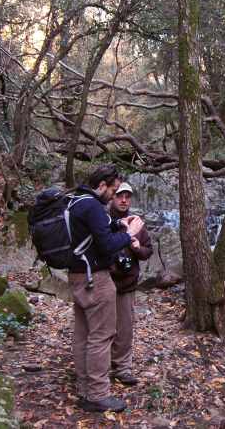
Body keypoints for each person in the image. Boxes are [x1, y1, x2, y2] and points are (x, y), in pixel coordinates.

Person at [68, 164, 144, 413]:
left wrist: (119, 225)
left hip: (77, 275)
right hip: (95, 280)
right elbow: (106, 246)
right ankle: (98, 394)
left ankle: (83, 387)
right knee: (101, 336)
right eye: (113, 190)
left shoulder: (75, 201)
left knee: (83, 335)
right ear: (102, 185)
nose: (114, 195)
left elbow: (95, 233)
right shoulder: (92, 205)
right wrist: (130, 232)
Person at [107, 182, 153, 386]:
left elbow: (147, 252)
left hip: (127, 284)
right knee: (102, 327)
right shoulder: (103, 220)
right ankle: (100, 366)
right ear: (112, 197)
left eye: (127, 196)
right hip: (104, 282)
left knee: (124, 329)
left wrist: (136, 247)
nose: (124, 200)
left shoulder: (137, 223)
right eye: (120, 196)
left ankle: (122, 368)